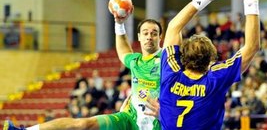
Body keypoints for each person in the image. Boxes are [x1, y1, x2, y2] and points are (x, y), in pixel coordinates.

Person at [4, 11, 162, 129]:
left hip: (158, 122)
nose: (149, 37)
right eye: (145, 33)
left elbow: (175, 32)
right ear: (139, 37)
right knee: (82, 123)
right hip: (128, 119)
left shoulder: (166, 60)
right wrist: (119, 24)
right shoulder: (135, 61)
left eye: (154, 34)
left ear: (160, 38)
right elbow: (123, 51)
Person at [159, 0, 263, 129]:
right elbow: (252, 47)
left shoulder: (170, 73)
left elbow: (173, 27)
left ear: (183, 56)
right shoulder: (215, 78)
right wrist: (251, 1)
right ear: (211, 60)